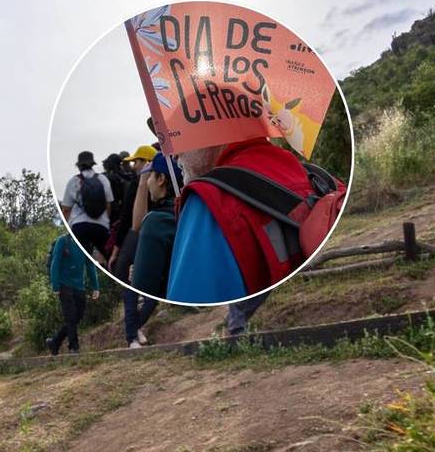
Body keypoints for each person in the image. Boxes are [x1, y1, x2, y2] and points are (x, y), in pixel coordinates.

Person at [167, 137, 321, 302]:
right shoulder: (313, 176)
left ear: (212, 127)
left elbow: (188, 303)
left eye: (178, 137)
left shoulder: (207, 202)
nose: (173, 154)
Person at [110, 145, 159, 348]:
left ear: (146, 163)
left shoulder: (135, 186)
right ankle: (133, 333)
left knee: (131, 289)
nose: (132, 165)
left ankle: (132, 334)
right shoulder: (163, 182)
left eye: (136, 161)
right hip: (153, 240)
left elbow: (125, 220)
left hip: (134, 239)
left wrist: (115, 250)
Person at [132, 153, 181, 301]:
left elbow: (143, 287)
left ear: (161, 179)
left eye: (150, 176)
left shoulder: (156, 222)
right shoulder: (190, 213)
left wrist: (137, 273)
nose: (147, 183)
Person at [46, 233, 100, 355]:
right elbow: (55, 262)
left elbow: (90, 264)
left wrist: (95, 287)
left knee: (77, 317)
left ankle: (55, 342)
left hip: (79, 286)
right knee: (70, 317)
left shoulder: (84, 245)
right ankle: (74, 347)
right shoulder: (63, 241)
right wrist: (55, 285)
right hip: (64, 285)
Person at [60, 150, 113, 258]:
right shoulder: (103, 179)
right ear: (92, 165)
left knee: (78, 257)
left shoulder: (74, 181)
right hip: (101, 226)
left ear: (79, 166)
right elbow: (108, 204)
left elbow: (66, 209)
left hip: (79, 225)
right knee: (108, 256)